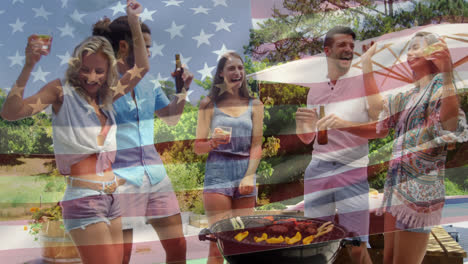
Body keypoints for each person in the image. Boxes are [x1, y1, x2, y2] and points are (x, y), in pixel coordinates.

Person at [0, 1, 148, 263]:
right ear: (75, 66)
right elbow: (11, 112)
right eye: (85, 69)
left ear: (108, 72)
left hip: (112, 197)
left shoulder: (107, 98)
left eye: (99, 71)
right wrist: (28, 66)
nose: (91, 77)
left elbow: (142, 68)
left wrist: (133, 21)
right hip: (84, 200)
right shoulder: (60, 92)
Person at [92, 15, 193, 264]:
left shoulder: (150, 84)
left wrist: (181, 90)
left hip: (156, 175)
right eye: (144, 45)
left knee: (178, 245)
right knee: (121, 256)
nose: (149, 51)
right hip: (120, 178)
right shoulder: (102, 82)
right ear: (125, 46)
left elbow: (170, 118)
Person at [362, 31, 467, 264]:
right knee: (388, 260)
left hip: (420, 195)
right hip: (397, 190)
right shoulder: (410, 95)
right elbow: (376, 108)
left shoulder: (439, 85)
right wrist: (367, 66)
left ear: (433, 53)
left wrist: (448, 73)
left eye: (417, 47)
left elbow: (449, 123)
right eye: (409, 49)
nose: (410, 53)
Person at [295, 26, 377, 264]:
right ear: (327, 51)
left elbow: (377, 129)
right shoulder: (315, 89)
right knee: (316, 242)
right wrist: (302, 127)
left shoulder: (363, 82)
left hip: (352, 170)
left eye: (352, 46)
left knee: (357, 245)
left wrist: (344, 124)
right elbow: (308, 139)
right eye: (342, 45)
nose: (349, 50)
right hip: (318, 169)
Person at [194, 52, 263, 264]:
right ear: (222, 73)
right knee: (218, 244)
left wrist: (249, 176)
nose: (237, 72)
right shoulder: (209, 103)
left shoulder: (255, 104)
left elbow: (257, 145)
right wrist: (211, 143)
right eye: (231, 68)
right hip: (218, 170)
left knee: (243, 245)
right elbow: (198, 147)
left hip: (245, 169)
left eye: (240, 68)